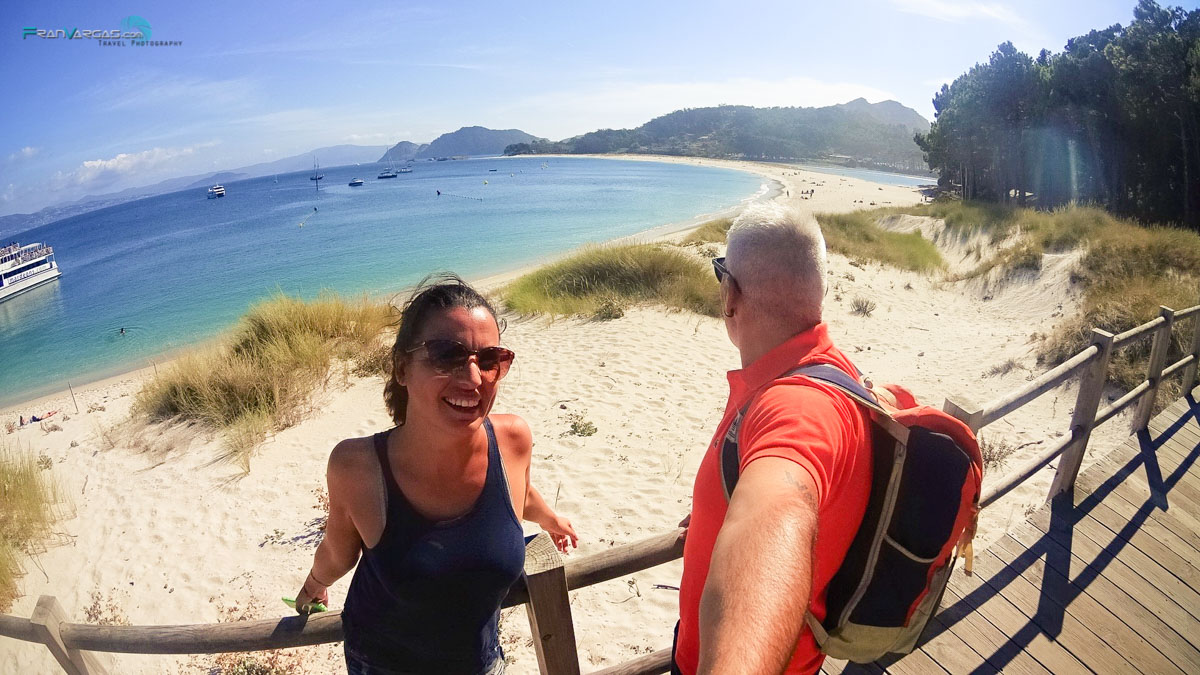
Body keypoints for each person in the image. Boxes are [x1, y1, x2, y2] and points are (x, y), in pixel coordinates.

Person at [294, 274, 577, 675]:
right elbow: (338, 552)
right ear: (402, 368)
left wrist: (549, 518)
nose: (474, 379)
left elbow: (519, 493)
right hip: (381, 664)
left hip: (481, 662)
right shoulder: (358, 465)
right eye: (447, 355)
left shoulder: (513, 439)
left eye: (491, 359)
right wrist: (312, 586)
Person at [673, 203, 873, 675]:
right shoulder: (832, 371)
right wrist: (717, 514)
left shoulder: (795, 409)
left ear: (729, 294)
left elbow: (780, 506)